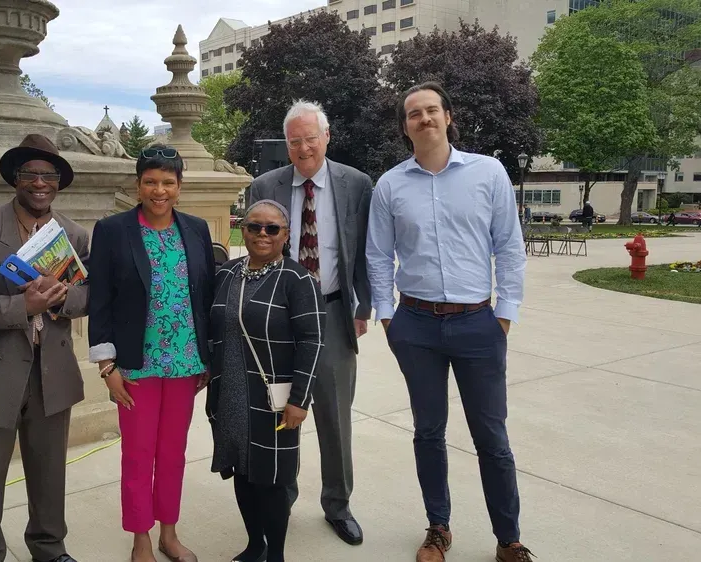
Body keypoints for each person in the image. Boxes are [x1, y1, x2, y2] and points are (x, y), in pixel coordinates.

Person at [365, 82, 533, 562]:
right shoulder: (390, 185)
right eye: (413, 114)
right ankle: (438, 528)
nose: (424, 119)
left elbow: (509, 246)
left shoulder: (488, 172)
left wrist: (505, 314)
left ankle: (508, 539)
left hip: (478, 323)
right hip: (415, 325)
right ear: (405, 127)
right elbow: (378, 255)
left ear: (448, 116)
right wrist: (387, 317)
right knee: (428, 432)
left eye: (431, 110)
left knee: (492, 438)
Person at [0, 134, 87, 562]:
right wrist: (21, 307)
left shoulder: (74, 235)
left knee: (49, 471)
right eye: (31, 174)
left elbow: (92, 293)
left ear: (59, 183)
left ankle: (49, 548)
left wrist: (62, 299)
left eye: (50, 176)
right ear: (15, 178)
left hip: (51, 371)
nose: (40, 183)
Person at [248, 99, 373, 545]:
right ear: (286, 144)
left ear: (327, 137)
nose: (303, 148)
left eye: (310, 139)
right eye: (294, 141)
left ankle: (338, 504)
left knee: (335, 416)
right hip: (280, 316)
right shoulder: (265, 185)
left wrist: (363, 306)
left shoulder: (356, 184)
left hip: (334, 313)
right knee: (281, 410)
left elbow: (366, 250)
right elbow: (256, 249)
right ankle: (281, 496)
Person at [88, 145, 215, 562]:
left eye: (168, 182)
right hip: (135, 366)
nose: (159, 191)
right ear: (138, 185)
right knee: (138, 454)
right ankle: (140, 538)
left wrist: (207, 357)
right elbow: (100, 300)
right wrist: (107, 365)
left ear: (179, 186)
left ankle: (169, 533)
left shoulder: (196, 229)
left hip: (184, 363)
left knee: (173, 454)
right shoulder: (112, 230)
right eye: (150, 182)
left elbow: (207, 296)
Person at [207, 200, 325, 562]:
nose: (263, 234)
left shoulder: (297, 280)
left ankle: (275, 554)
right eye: (254, 226)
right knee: (242, 471)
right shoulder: (228, 273)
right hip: (230, 393)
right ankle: (255, 545)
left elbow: (313, 341)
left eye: (272, 228)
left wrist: (300, 400)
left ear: (286, 235)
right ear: (242, 230)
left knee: (272, 479)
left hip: (273, 398)